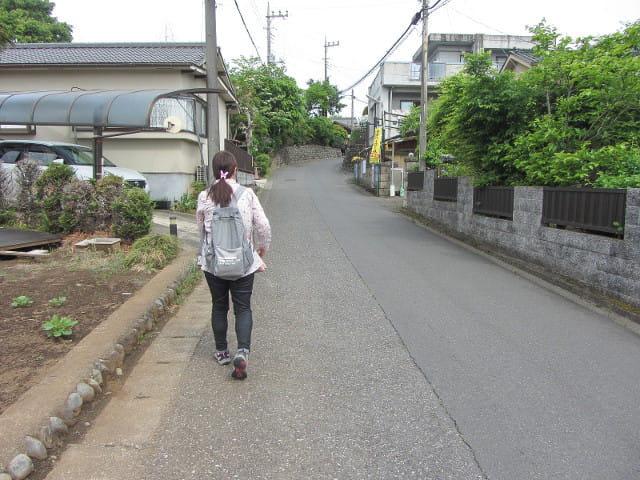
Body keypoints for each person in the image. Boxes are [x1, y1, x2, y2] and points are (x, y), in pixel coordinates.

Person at [196, 150, 271, 380]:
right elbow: (263, 227)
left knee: (219, 306)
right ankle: (242, 351)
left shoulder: (204, 196)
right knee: (243, 308)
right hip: (243, 264)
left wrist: (204, 253)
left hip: (214, 263)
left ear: (213, 171)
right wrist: (260, 250)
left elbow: (200, 231)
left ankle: (221, 352)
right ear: (235, 170)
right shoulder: (247, 194)